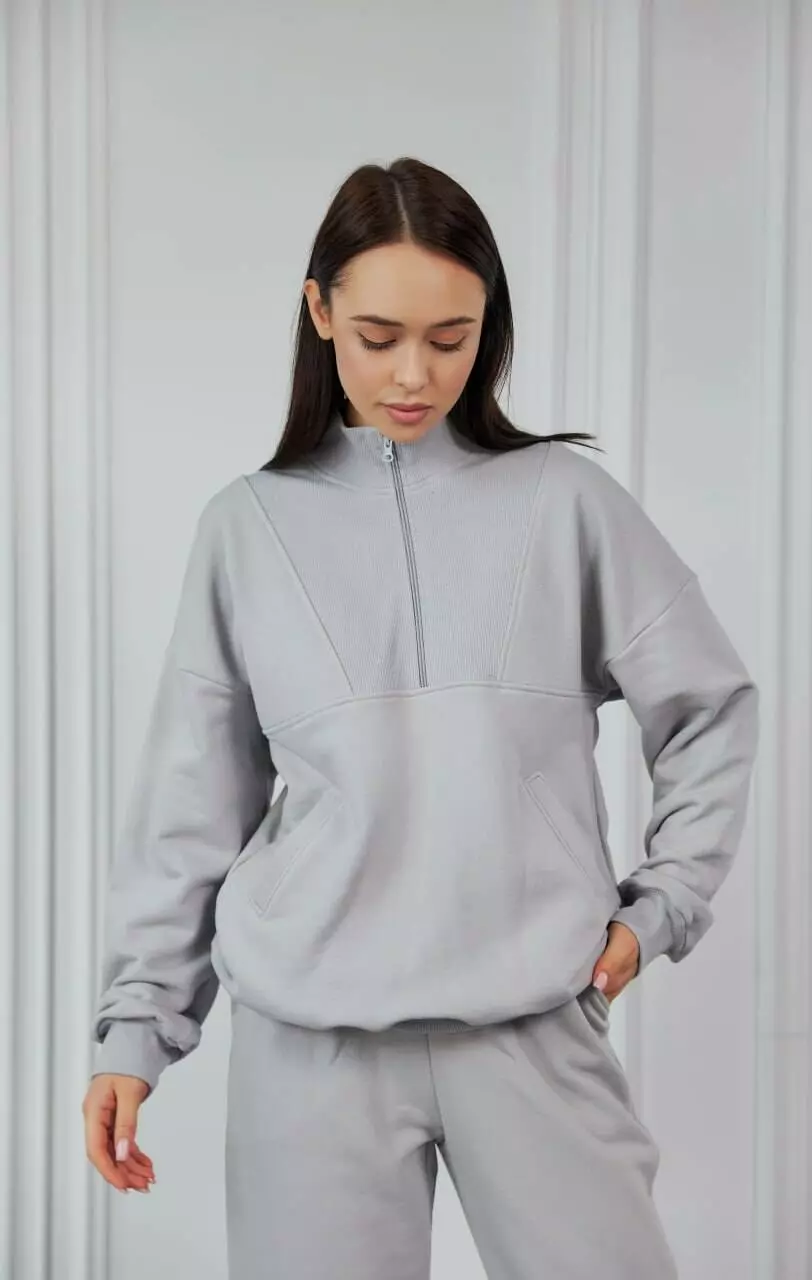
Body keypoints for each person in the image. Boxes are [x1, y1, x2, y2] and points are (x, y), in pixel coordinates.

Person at [82, 156, 759, 1279]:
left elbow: (709, 705)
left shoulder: (564, 502)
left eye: (451, 339)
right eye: (378, 335)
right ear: (319, 311)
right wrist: (135, 1030)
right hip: (312, 1044)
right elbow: (191, 801)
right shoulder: (245, 527)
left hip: (532, 1017)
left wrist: (662, 905)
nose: (414, 374)